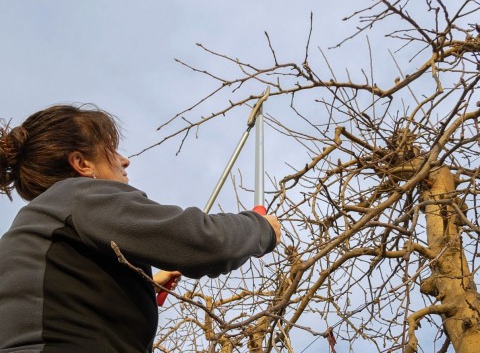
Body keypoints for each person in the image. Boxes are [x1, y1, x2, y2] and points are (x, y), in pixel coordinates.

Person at [0, 104, 281, 353]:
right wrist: (259, 228)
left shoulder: (36, 229)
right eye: (110, 151)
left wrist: (137, 284)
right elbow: (207, 243)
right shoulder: (79, 197)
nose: (124, 161)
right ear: (82, 164)